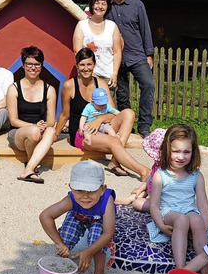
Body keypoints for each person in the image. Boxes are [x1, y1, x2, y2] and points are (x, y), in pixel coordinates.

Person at [55, 48, 150, 180]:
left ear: (94, 65)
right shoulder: (69, 86)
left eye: (89, 64)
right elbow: (64, 114)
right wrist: (55, 135)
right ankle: (143, 171)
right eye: (82, 65)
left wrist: (99, 120)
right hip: (82, 132)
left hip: (102, 126)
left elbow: (113, 113)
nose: (86, 68)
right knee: (114, 141)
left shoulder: (101, 84)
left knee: (128, 113)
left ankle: (115, 161)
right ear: (77, 66)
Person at [147, 124, 208, 274]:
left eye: (186, 152)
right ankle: (180, 269)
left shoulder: (196, 175)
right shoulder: (161, 175)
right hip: (168, 212)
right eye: (176, 151)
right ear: (167, 150)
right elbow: (154, 205)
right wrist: (161, 225)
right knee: (182, 220)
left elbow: (203, 205)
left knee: (196, 220)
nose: (180, 156)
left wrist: (204, 227)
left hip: (189, 210)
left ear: (193, 151)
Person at [39, 160, 116, 274]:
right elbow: (45, 216)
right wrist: (60, 243)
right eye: (79, 190)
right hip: (78, 216)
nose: (85, 196)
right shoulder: (71, 199)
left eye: (91, 191)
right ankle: (62, 266)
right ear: (71, 187)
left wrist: (89, 251)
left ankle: (99, 273)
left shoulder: (107, 200)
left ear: (102, 189)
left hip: (99, 219)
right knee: (65, 238)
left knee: (97, 238)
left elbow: (108, 233)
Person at [105, 0, 155, 138]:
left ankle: (144, 126)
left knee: (148, 84)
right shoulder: (106, 5)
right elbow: (93, 15)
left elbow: (145, 29)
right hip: (116, 57)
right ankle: (126, 126)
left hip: (137, 54)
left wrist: (149, 54)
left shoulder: (137, 5)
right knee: (122, 93)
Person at [6, 46, 57, 184]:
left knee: (51, 130)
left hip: (40, 130)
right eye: (29, 64)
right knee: (34, 132)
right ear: (23, 65)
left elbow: (51, 121)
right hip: (18, 132)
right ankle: (32, 167)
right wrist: (34, 126)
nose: (33, 68)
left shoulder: (50, 90)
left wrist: (44, 125)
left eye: (37, 64)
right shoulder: (14, 88)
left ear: (41, 66)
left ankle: (29, 169)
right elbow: (14, 120)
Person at [72, 0, 122, 88]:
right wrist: (90, 72)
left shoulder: (112, 26)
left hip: (107, 76)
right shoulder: (82, 25)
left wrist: (115, 73)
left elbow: (117, 52)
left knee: (107, 103)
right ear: (92, 5)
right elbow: (77, 51)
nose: (100, 7)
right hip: (87, 75)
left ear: (107, 7)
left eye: (104, 4)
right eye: (97, 3)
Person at [115, 127, 166, 208]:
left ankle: (140, 201)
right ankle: (130, 198)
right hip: (153, 192)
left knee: (137, 204)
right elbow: (150, 178)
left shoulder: (165, 170)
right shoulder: (157, 165)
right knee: (141, 194)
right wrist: (140, 188)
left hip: (163, 201)